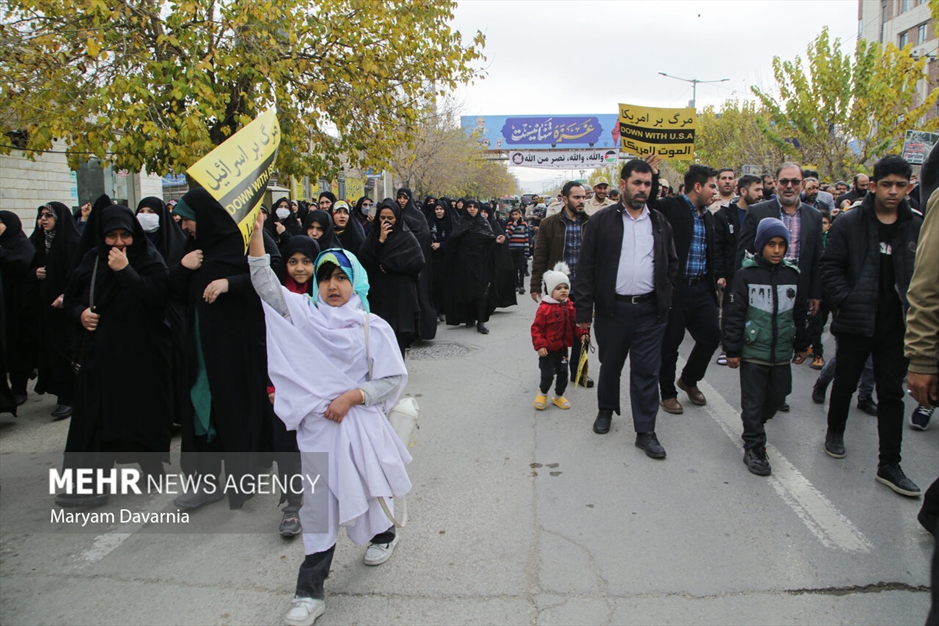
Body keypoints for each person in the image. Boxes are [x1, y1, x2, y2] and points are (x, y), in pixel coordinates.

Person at [246, 221, 410, 626]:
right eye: (324, 277)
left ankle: (384, 534)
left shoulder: (373, 327)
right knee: (320, 509)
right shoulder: (302, 315)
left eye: (341, 277)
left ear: (356, 281)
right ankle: (309, 591)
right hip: (318, 432)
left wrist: (352, 397)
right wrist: (255, 231)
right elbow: (265, 283)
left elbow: (391, 379)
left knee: (369, 491)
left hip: (358, 428)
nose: (332, 285)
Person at [55, 205, 172, 506]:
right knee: (94, 419)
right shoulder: (91, 260)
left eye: (125, 236)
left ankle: (151, 467)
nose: (119, 243)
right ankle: (90, 485)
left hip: (141, 356)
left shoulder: (148, 258)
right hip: (100, 355)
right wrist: (80, 313)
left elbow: (156, 299)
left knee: (140, 415)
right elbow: (72, 298)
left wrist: (125, 271)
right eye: (111, 236)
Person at [820, 155, 922, 497]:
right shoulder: (850, 223)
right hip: (856, 322)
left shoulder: (917, 226)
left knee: (892, 394)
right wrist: (845, 301)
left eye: (901, 185)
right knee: (846, 382)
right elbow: (830, 267)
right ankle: (835, 432)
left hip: (897, 327)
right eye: (887, 185)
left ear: (908, 187)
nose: (893, 192)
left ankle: (889, 464)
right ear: (874, 186)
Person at [169, 188, 271, 510]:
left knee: (233, 409)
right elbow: (171, 292)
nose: (183, 227)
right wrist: (184, 268)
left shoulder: (239, 241)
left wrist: (231, 283)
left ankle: (243, 479)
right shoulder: (192, 250)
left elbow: (270, 275)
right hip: (199, 347)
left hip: (234, 349)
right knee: (202, 411)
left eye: (187, 220)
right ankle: (206, 482)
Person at [574, 159, 677, 457]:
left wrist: (666, 299)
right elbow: (586, 271)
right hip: (612, 311)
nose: (643, 189)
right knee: (611, 365)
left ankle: (645, 432)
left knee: (646, 372)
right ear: (623, 185)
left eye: (647, 184)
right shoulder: (601, 222)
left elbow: (671, 264)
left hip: (649, 313)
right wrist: (583, 315)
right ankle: (605, 410)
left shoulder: (659, 222)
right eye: (637, 183)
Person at [723, 218, 808, 476]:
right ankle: (755, 448)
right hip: (753, 353)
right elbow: (735, 314)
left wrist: (803, 344)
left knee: (778, 396)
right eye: (771, 244)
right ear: (761, 245)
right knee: (752, 401)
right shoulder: (746, 275)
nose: (776, 250)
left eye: (782, 245)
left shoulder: (792, 276)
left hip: (781, 353)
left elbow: (799, 314)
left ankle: (755, 424)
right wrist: (733, 350)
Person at [736, 163, 824, 411]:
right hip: (760, 290)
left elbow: (817, 258)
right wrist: (738, 287)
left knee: (787, 335)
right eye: (784, 181)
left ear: (802, 183)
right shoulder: (758, 211)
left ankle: (776, 392)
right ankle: (757, 398)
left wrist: (816, 293)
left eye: (795, 182)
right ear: (774, 183)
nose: (789, 186)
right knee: (762, 339)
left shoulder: (813, 216)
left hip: (795, 292)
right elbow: (742, 253)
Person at [651, 165, 721, 415]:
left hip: (702, 288)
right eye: (712, 185)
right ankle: (668, 393)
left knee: (712, 336)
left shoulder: (709, 216)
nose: (716, 190)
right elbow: (650, 206)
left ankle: (689, 380)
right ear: (698, 187)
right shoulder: (671, 207)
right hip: (676, 289)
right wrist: (653, 175)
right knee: (670, 344)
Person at [531, 181, 592, 387]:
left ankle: (580, 372)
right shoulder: (549, 224)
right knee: (557, 331)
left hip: (583, 289)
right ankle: (556, 369)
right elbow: (540, 256)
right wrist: (535, 285)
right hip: (559, 290)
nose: (581, 201)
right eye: (577, 197)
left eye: (584, 197)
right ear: (565, 199)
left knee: (582, 331)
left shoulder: (590, 224)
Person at [28, 201, 81, 419]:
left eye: (48, 216)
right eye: (41, 216)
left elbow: (78, 274)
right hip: (45, 306)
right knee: (51, 348)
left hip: (66, 308)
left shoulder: (72, 242)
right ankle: (60, 392)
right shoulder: (37, 242)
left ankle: (69, 397)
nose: (44, 220)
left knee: (66, 350)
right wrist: (34, 272)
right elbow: (26, 267)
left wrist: (66, 295)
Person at [357, 199, 425, 355]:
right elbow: (364, 258)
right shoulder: (373, 237)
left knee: (399, 335)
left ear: (397, 218)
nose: (386, 222)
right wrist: (380, 241)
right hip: (379, 293)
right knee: (380, 333)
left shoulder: (406, 237)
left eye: (390, 218)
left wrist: (393, 265)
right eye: (382, 218)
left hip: (401, 293)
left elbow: (417, 261)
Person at [713, 175, 763, 366]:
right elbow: (718, 247)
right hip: (732, 272)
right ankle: (728, 348)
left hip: (756, 272)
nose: (760, 194)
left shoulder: (763, 214)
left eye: (761, 190)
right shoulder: (723, 215)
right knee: (730, 310)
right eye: (756, 190)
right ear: (743, 191)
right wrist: (721, 275)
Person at [532, 263, 587, 410]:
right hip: (547, 351)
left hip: (562, 349)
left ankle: (558, 396)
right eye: (558, 288)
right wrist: (540, 345)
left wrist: (583, 334)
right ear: (550, 291)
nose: (563, 290)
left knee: (563, 374)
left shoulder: (570, 306)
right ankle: (543, 393)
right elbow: (536, 328)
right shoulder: (544, 308)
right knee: (548, 374)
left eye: (566, 287)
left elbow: (577, 324)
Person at [0, 211, 37, 407]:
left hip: (18, 306)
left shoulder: (21, 244)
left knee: (17, 347)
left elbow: (22, 265)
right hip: (3, 305)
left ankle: (19, 387)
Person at [444, 200, 495, 334]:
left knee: (481, 291)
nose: (472, 209)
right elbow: (453, 240)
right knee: (467, 290)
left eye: (475, 207)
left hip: (481, 263)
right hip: (464, 263)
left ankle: (481, 321)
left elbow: (489, 238)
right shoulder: (461, 223)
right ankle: (470, 317)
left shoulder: (483, 223)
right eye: (469, 207)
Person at [395, 188, 437, 341]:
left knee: (419, 295)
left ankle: (422, 330)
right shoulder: (395, 215)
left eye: (404, 198)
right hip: (401, 265)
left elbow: (424, 235)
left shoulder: (417, 216)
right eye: (399, 198)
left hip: (416, 264)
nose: (401, 201)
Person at [428, 198, 455, 320]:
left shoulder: (450, 223)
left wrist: (441, 245)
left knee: (445, 284)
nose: (439, 212)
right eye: (437, 209)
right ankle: (436, 310)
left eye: (441, 209)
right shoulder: (430, 222)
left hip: (446, 258)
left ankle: (444, 310)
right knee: (434, 284)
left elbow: (453, 240)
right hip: (433, 258)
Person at [505, 207, 530, 294]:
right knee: (514, 268)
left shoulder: (524, 224)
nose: (515, 216)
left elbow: (526, 238)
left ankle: (521, 285)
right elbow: (507, 236)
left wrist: (527, 251)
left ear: (520, 215)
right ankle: (516, 284)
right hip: (512, 249)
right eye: (513, 215)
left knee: (521, 267)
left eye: (517, 214)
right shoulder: (509, 224)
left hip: (521, 249)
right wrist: (513, 227)